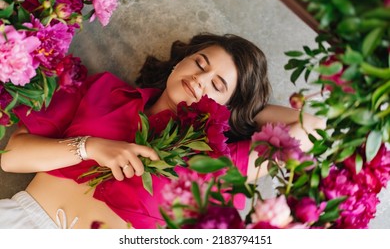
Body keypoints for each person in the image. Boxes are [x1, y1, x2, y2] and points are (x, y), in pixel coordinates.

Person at [0, 33, 325, 229]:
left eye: (217, 84)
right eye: (200, 63)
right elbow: (11, 157)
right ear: (179, 62)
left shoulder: (217, 164)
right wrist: (90, 147)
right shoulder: (105, 91)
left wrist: (243, 113)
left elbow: (312, 126)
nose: (200, 79)